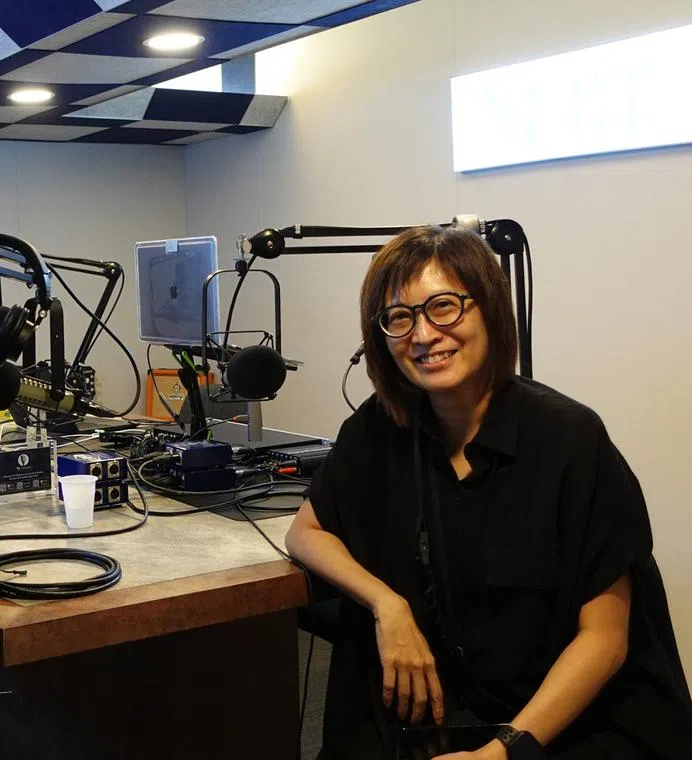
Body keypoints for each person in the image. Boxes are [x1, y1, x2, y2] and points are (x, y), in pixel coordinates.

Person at [285, 226, 692, 759]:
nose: (423, 334)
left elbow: (605, 639)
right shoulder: (380, 426)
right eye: (399, 317)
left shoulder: (570, 439)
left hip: (560, 723)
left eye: (444, 307)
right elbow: (306, 532)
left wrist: (502, 752)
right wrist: (388, 605)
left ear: (490, 309)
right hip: (439, 715)